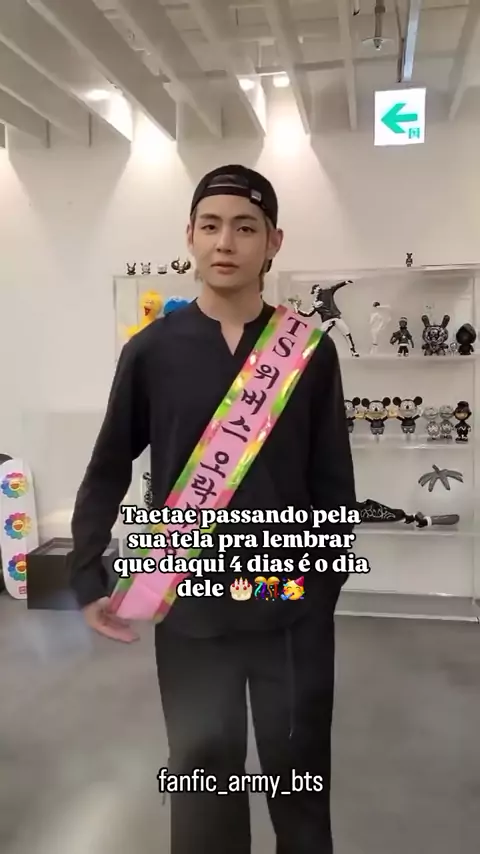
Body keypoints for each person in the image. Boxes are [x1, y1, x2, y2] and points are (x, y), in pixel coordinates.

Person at [69, 165, 357, 854]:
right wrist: (86, 575)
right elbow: (108, 466)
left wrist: (321, 589)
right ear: (190, 237)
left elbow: (333, 482)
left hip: (290, 608)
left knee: (300, 788)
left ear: (273, 242)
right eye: (211, 225)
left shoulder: (308, 353)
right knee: (203, 793)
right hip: (191, 609)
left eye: (245, 227)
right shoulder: (151, 352)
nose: (226, 242)